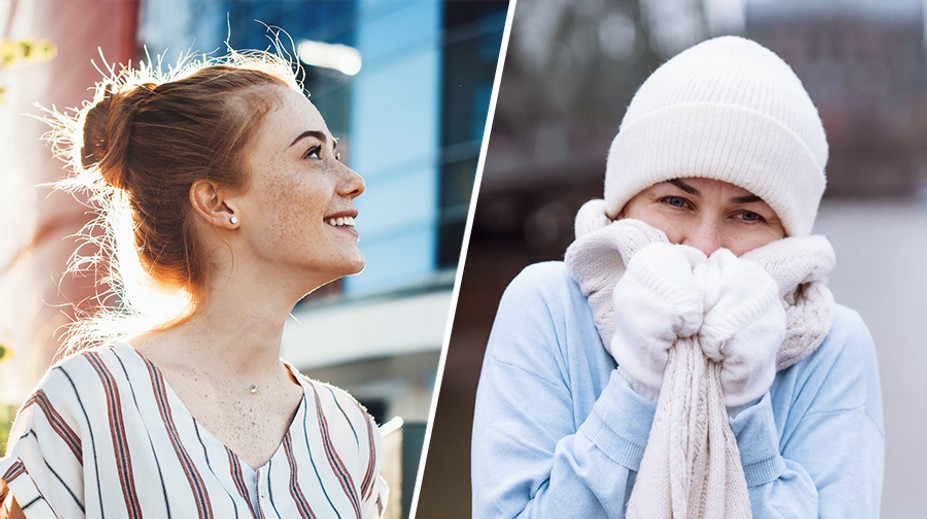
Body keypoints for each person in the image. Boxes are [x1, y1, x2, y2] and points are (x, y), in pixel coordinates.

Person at [471, 36, 883, 518]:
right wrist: (639, 387)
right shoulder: (546, 305)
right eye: (676, 201)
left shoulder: (833, 346)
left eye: (747, 216)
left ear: (788, 234)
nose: (704, 245)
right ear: (625, 203)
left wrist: (742, 407)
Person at [0, 49, 387, 518]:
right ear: (218, 202)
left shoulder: (350, 432)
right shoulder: (84, 401)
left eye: (336, 154)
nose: (354, 180)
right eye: (312, 154)